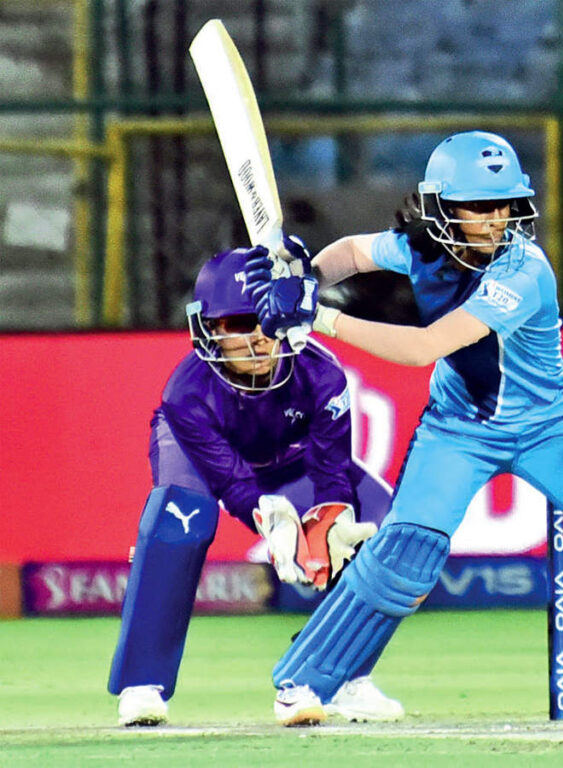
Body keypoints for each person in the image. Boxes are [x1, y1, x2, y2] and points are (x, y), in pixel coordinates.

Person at [245, 130, 563, 725]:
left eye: (505, 205)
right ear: (442, 208)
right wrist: (306, 271)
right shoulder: (419, 246)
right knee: (403, 557)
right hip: (458, 428)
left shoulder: (524, 270)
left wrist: (318, 315)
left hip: (551, 425)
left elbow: (429, 345)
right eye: (481, 207)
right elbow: (353, 252)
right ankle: (304, 683)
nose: (496, 220)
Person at [108, 247, 402, 727]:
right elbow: (232, 483)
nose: (255, 341)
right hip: (200, 454)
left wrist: (330, 518)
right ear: (208, 329)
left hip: (290, 459)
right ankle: (144, 684)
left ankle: (342, 676)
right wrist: (269, 521)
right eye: (237, 324)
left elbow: (331, 473)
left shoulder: (322, 373)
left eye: (264, 321)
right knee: (177, 522)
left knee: (386, 527)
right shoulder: (186, 392)